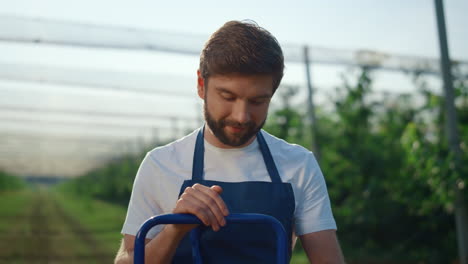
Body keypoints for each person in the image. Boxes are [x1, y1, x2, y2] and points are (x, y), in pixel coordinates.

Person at [114, 20, 345, 264]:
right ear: (201, 85)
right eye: (228, 96)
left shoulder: (298, 165)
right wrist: (175, 228)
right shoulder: (161, 164)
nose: (241, 116)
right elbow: (127, 260)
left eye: (257, 101)